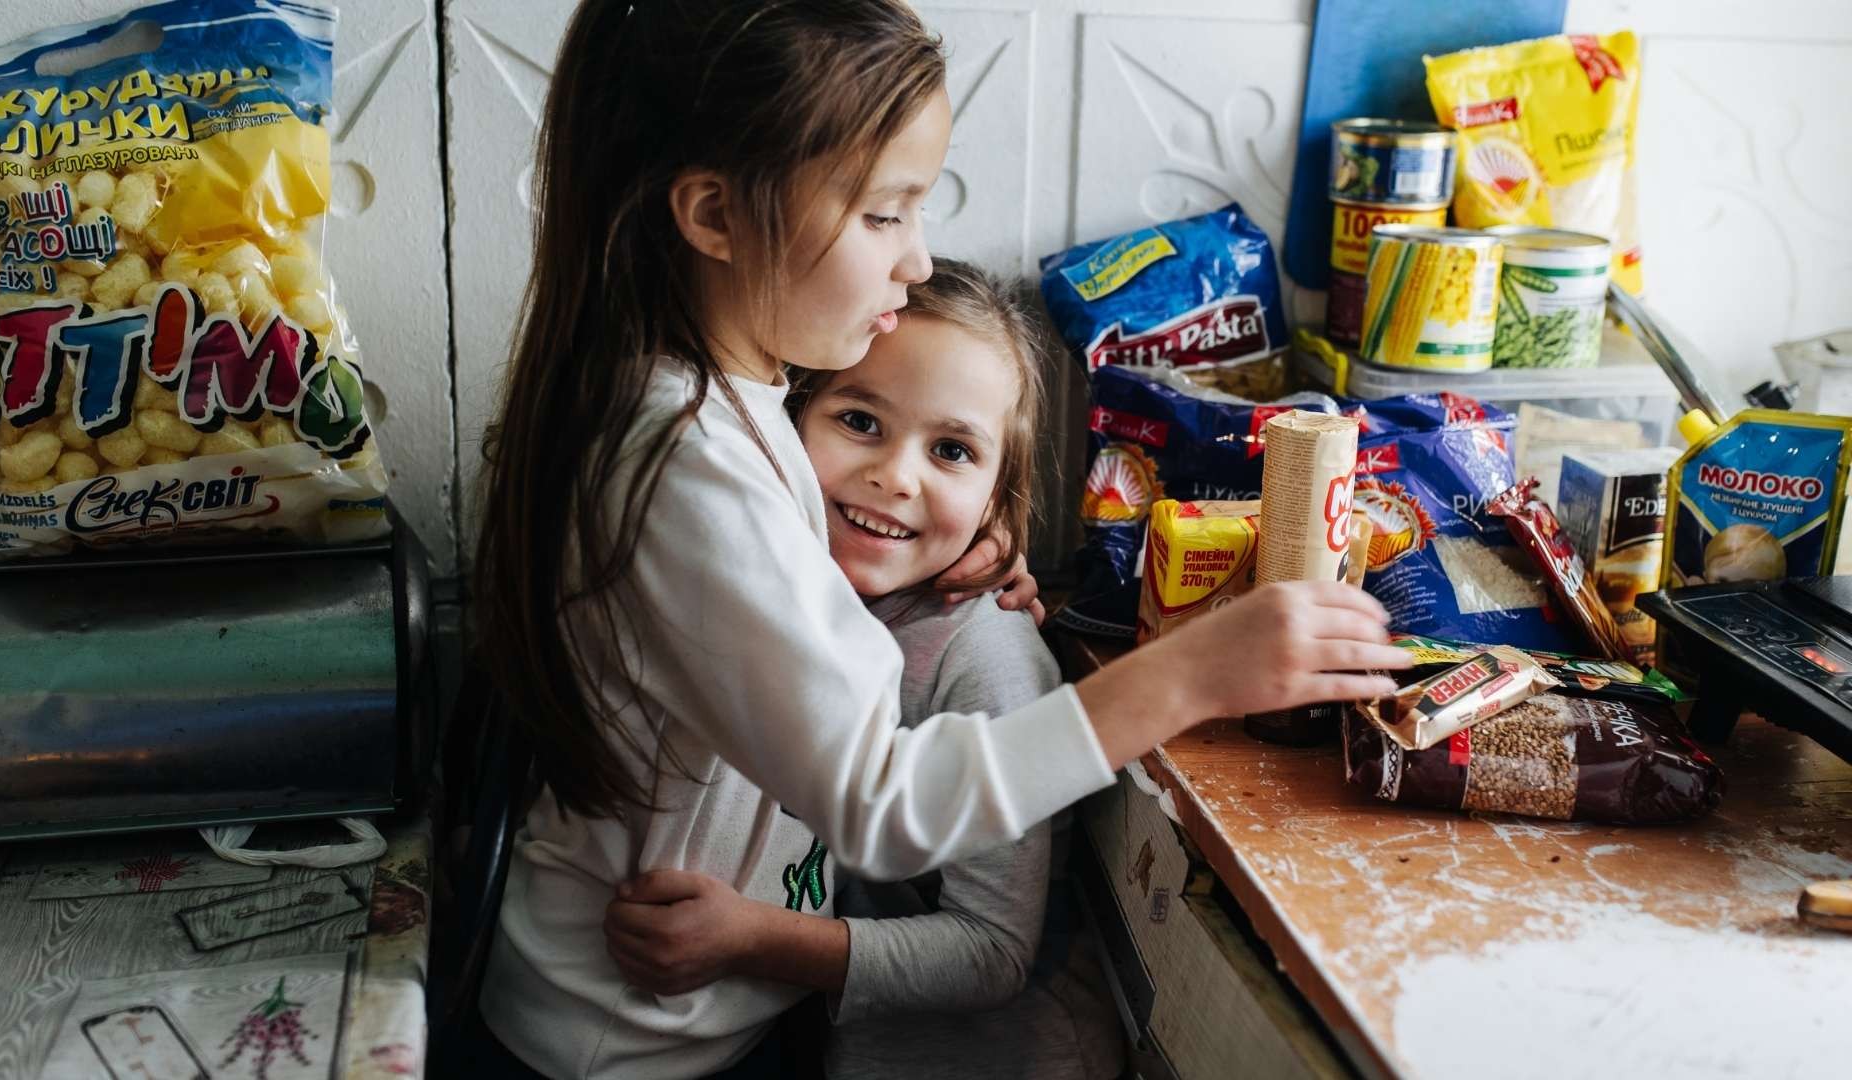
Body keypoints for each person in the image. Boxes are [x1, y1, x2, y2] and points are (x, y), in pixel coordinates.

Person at [469, 1, 1409, 1076]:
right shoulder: (685, 466)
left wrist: (963, 539)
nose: (916, 261)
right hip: (627, 1048)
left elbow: (776, 607)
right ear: (716, 216)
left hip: (689, 1021)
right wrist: (1190, 674)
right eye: (884, 214)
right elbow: (887, 808)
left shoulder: (720, 404)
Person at [603, 258, 1127, 1080]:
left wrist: (750, 939)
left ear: (1000, 496)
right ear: (787, 422)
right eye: (860, 421)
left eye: (952, 450)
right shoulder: (784, 584)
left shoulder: (987, 658)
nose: (896, 475)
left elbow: (990, 955)